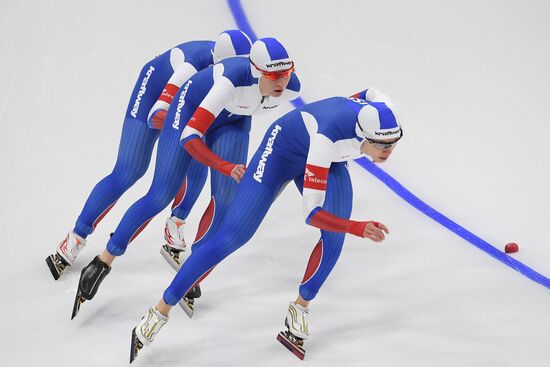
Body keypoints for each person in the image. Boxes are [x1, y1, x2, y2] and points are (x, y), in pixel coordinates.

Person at [128, 88, 403, 362]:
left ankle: (300, 308)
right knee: (232, 237)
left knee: (334, 239)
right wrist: (357, 226)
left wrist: (340, 102)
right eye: (381, 145)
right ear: (363, 135)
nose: (388, 151)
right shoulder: (327, 140)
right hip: (282, 153)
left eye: (393, 143)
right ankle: (160, 310)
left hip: (330, 158)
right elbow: (312, 213)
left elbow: (371, 91)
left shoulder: (381, 110)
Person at [71, 37, 301, 319]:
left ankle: (193, 267)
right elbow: (191, 138)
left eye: (287, 74)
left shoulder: (291, 87)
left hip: (233, 120)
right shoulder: (227, 83)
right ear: (256, 72)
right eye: (275, 76)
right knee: (160, 195)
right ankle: (104, 260)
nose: (282, 82)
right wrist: (224, 165)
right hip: (190, 111)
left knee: (225, 202)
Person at [46, 30, 253, 280]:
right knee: (129, 171)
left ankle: (176, 222)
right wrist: (190, 126)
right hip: (155, 97)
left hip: (190, 105)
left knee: (197, 157)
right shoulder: (191, 69)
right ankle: (75, 238)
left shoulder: (239, 77)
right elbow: (157, 116)